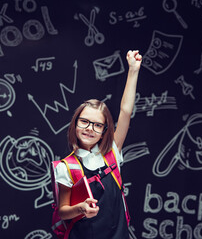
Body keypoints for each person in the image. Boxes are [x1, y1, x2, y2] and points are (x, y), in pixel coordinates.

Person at [54, 50, 142, 239]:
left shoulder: (112, 153)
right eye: (84, 121)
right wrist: (81, 208)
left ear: (104, 131)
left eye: (97, 125)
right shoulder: (66, 167)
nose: (89, 128)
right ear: (75, 123)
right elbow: (63, 211)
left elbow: (125, 112)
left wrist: (133, 70)